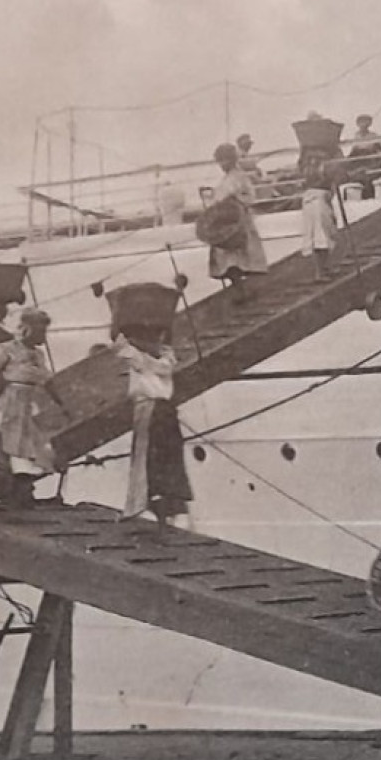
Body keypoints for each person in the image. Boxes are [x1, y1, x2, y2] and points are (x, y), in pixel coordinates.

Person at [0, 308, 67, 507]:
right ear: (27, 329)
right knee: (14, 445)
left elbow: (47, 380)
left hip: (30, 402)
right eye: (40, 331)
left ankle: (24, 491)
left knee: (35, 446)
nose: (43, 336)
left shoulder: (39, 354)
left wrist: (61, 404)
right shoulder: (5, 349)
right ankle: (17, 492)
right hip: (11, 401)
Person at [115, 325, 193, 529]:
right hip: (158, 408)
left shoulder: (148, 356)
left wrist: (132, 341)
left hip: (153, 408)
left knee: (153, 456)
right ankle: (165, 507)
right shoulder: (158, 356)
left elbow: (125, 348)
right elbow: (154, 361)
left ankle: (155, 505)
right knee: (162, 456)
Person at [206, 143, 270, 303]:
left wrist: (234, 200)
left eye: (224, 161)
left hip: (238, 222)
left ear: (232, 160)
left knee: (238, 260)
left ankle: (245, 291)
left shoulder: (240, 177)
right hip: (225, 222)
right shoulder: (225, 179)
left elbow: (249, 197)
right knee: (228, 260)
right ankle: (241, 290)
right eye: (219, 162)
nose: (222, 165)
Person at [298, 152, 339, 281]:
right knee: (321, 237)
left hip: (315, 201)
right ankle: (320, 272)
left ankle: (325, 268)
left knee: (321, 236)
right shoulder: (319, 169)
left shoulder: (309, 169)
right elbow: (329, 181)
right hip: (319, 202)